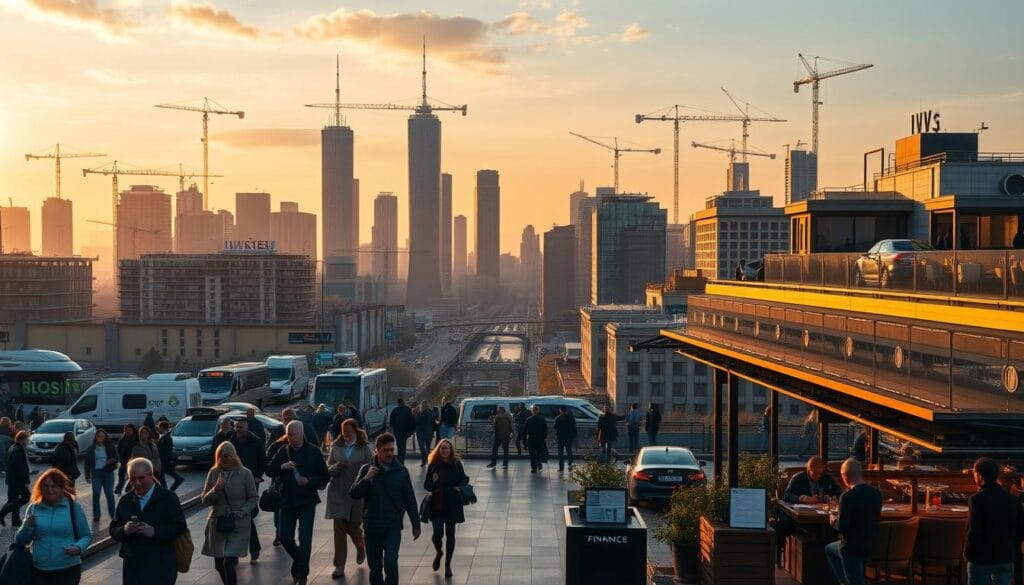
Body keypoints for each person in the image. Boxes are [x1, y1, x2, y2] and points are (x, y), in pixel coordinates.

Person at [349, 433, 421, 585]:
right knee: (375, 568)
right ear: (377, 450)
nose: (389, 453)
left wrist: (416, 524)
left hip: (392, 525)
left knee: (391, 562)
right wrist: (367, 479)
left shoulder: (401, 471)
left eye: (391, 450)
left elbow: (410, 499)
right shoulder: (366, 469)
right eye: (385, 450)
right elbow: (354, 493)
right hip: (372, 526)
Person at [265, 420, 329, 585]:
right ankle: (300, 561)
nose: (290, 437)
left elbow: (325, 476)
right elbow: (269, 470)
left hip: (307, 501)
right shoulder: (283, 450)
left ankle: (302, 575)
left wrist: (308, 481)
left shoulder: (314, 452)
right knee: (285, 537)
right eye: (288, 434)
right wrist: (282, 466)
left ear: (301, 434)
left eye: (293, 434)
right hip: (286, 501)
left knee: (305, 538)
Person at [109, 457, 188, 585]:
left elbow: (180, 527)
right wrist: (124, 530)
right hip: (133, 566)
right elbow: (113, 529)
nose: (137, 483)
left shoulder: (168, 498)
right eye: (133, 479)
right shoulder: (125, 501)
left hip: (161, 565)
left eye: (141, 478)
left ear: (151, 475)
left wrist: (155, 532)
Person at [14, 469, 92, 585]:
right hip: (39, 569)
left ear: (62, 488)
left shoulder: (73, 507)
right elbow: (20, 541)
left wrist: (78, 548)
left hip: (68, 568)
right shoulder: (34, 508)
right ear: (40, 488)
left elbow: (86, 536)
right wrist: (27, 526)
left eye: (54, 486)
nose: (49, 490)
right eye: (46, 486)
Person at [200, 442, 258, 585]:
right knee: (219, 564)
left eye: (226, 456)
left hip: (238, 523)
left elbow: (253, 497)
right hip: (218, 522)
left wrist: (243, 511)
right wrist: (215, 489)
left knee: (228, 562)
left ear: (233, 456)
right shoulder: (213, 473)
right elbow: (205, 500)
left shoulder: (245, 473)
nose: (223, 460)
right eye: (220, 457)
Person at [325, 418, 373, 578]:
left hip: (356, 494)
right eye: (344, 432)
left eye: (349, 432)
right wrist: (334, 468)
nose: (346, 435)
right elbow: (327, 465)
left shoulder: (365, 448)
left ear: (356, 431)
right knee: (338, 530)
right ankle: (339, 566)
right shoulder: (336, 447)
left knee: (353, 528)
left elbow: (371, 468)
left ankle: (360, 546)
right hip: (337, 492)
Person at [966, 457, 1024, 585]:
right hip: (1006, 557)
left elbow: (975, 531)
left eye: (974, 474)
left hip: (982, 558)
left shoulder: (976, 499)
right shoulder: (1013, 500)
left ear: (980, 476)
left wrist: (968, 553)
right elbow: (1021, 531)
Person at [825, 459, 881, 585]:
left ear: (845, 476)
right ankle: (845, 581)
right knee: (830, 549)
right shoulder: (876, 493)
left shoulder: (847, 497)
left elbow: (842, 527)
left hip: (851, 548)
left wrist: (833, 520)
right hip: (870, 544)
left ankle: (844, 581)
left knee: (829, 549)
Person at [424, 439, 470, 578]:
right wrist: (435, 482)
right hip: (437, 503)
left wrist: (459, 486)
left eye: (447, 448)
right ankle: (439, 552)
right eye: (442, 448)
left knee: (450, 535)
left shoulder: (456, 464)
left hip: (452, 503)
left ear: (451, 450)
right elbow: (427, 485)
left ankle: (448, 565)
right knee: (437, 534)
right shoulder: (433, 465)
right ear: (439, 450)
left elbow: (464, 479)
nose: (445, 450)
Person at [228, 417, 265, 562]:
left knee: (246, 516)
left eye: (240, 427)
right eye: (236, 427)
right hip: (232, 482)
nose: (238, 430)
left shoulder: (256, 441)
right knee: (238, 516)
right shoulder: (230, 441)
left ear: (247, 428)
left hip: (250, 482)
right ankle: (235, 552)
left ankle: (252, 548)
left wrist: (258, 476)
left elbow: (263, 460)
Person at [85, 428, 119, 523]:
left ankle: (113, 515)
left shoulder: (110, 446)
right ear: (96, 437)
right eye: (98, 436)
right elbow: (87, 463)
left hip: (108, 472)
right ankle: (96, 515)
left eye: (102, 436)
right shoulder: (91, 448)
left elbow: (117, 457)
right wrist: (87, 475)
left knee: (109, 494)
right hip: (96, 473)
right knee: (96, 495)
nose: (100, 438)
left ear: (105, 438)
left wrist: (111, 460)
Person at [0, 431, 31, 526]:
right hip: (17, 481)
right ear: (22, 440)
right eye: (27, 440)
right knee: (26, 497)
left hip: (12, 480)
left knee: (13, 500)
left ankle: (15, 520)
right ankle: (2, 513)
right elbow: (19, 468)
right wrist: (25, 480)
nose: (28, 442)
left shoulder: (14, 448)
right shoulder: (17, 450)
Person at [265, 432, 288, 547]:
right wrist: (281, 467)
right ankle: (279, 532)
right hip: (279, 483)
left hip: (295, 485)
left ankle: (285, 533)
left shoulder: (303, 445)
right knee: (278, 509)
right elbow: (269, 466)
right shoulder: (276, 446)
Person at [157, 421, 183, 492]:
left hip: (164, 462)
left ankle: (168, 492)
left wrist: (166, 461)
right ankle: (167, 492)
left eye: (159, 428)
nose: (158, 429)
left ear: (162, 428)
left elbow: (166, 451)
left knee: (162, 478)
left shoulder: (166, 438)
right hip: (164, 461)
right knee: (161, 478)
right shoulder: (164, 437)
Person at [388, 398, 416, 464]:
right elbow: (412, 421)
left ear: (398, 403)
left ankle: (400, 459)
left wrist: (392, 431)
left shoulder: (395, 410)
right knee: (403, 445)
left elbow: (391, 422)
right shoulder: (408, 410)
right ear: (403, 402)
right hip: (405, 431)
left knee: (399, 445)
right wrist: (411, 431)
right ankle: (402, 460)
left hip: (397, 431)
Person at [523, 405, 548, 474]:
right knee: (539, 453)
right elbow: (545, 430)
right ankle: (539, 465)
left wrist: (524, 441)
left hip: (531, 440)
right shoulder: (542, 419)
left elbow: (525, 431)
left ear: (532, 411)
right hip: (540, 440)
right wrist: (544, 438)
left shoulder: (528, 419)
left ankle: (533, 468)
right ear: (538, 411)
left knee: (532, 455)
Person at [115, 424, 138, 494]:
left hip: (132, 461)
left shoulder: (136, 439)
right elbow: (118, 448)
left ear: (133, 431)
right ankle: (119, 487)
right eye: (126, 430)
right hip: (123, 460)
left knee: (131, 476)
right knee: (121, 474)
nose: (128, 431)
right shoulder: (123, 438)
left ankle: (129, 490)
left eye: (129, 430)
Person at [554, 405, 578, 472]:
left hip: (560, 437)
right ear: (566, 410)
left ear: (560, 410)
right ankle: (570, 464)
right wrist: (573, 436)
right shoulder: (571, 418)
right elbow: (574, 428)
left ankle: (561, 467)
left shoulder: (558, 418)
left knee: (560, 452)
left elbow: (555, 427)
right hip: (569, 437)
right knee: (569, 450)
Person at [415, 401, 437, 468]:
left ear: (421, 406)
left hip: (420, 432)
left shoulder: (419, 413)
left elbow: (417, 422)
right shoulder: (431, 413)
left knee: (422, 447)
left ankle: (424, 460)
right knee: (427, 447)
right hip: (429, 432)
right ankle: (427, 459)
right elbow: (433, 422)